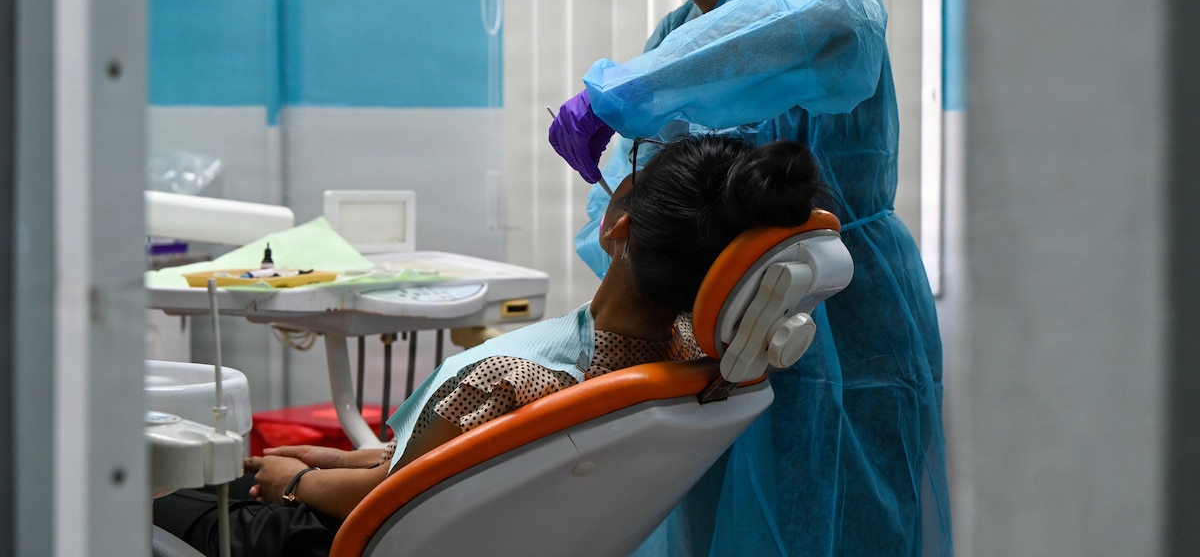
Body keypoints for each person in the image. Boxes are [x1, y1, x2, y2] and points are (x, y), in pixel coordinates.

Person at [548, 0, 952, 556]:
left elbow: (827, 31)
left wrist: (622, 96)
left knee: (852, 522)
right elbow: (627, 216)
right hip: (721, 327)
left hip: (848, 308)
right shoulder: (670, 46)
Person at [153, 134, 825, 557]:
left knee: (145, 489)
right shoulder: (685, 361)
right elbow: (455, 463)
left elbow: (397, 499)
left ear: (618, 226)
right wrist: (346, 458)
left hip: (335, 536)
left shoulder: (506, 376)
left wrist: (296, 480)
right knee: (233, 470)